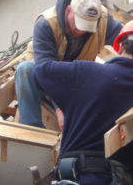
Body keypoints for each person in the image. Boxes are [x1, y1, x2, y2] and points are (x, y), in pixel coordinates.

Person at [32, 20, 133, 185]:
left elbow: (40, 72)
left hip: (76, 176)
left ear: (120, 47)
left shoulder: (85, 73)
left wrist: (59, 105)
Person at [15, 0, 122, 128]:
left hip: (74, 81)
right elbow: (46, 73)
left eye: (87, 26)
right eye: (78, 22)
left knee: (111, 71)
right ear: (68, 10)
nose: (81, 30)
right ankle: (33, 130)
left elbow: (125, 38)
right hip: (43, 80)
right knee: (25, 70)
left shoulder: (103, 20)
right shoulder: (46, 24)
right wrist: (59, 107)